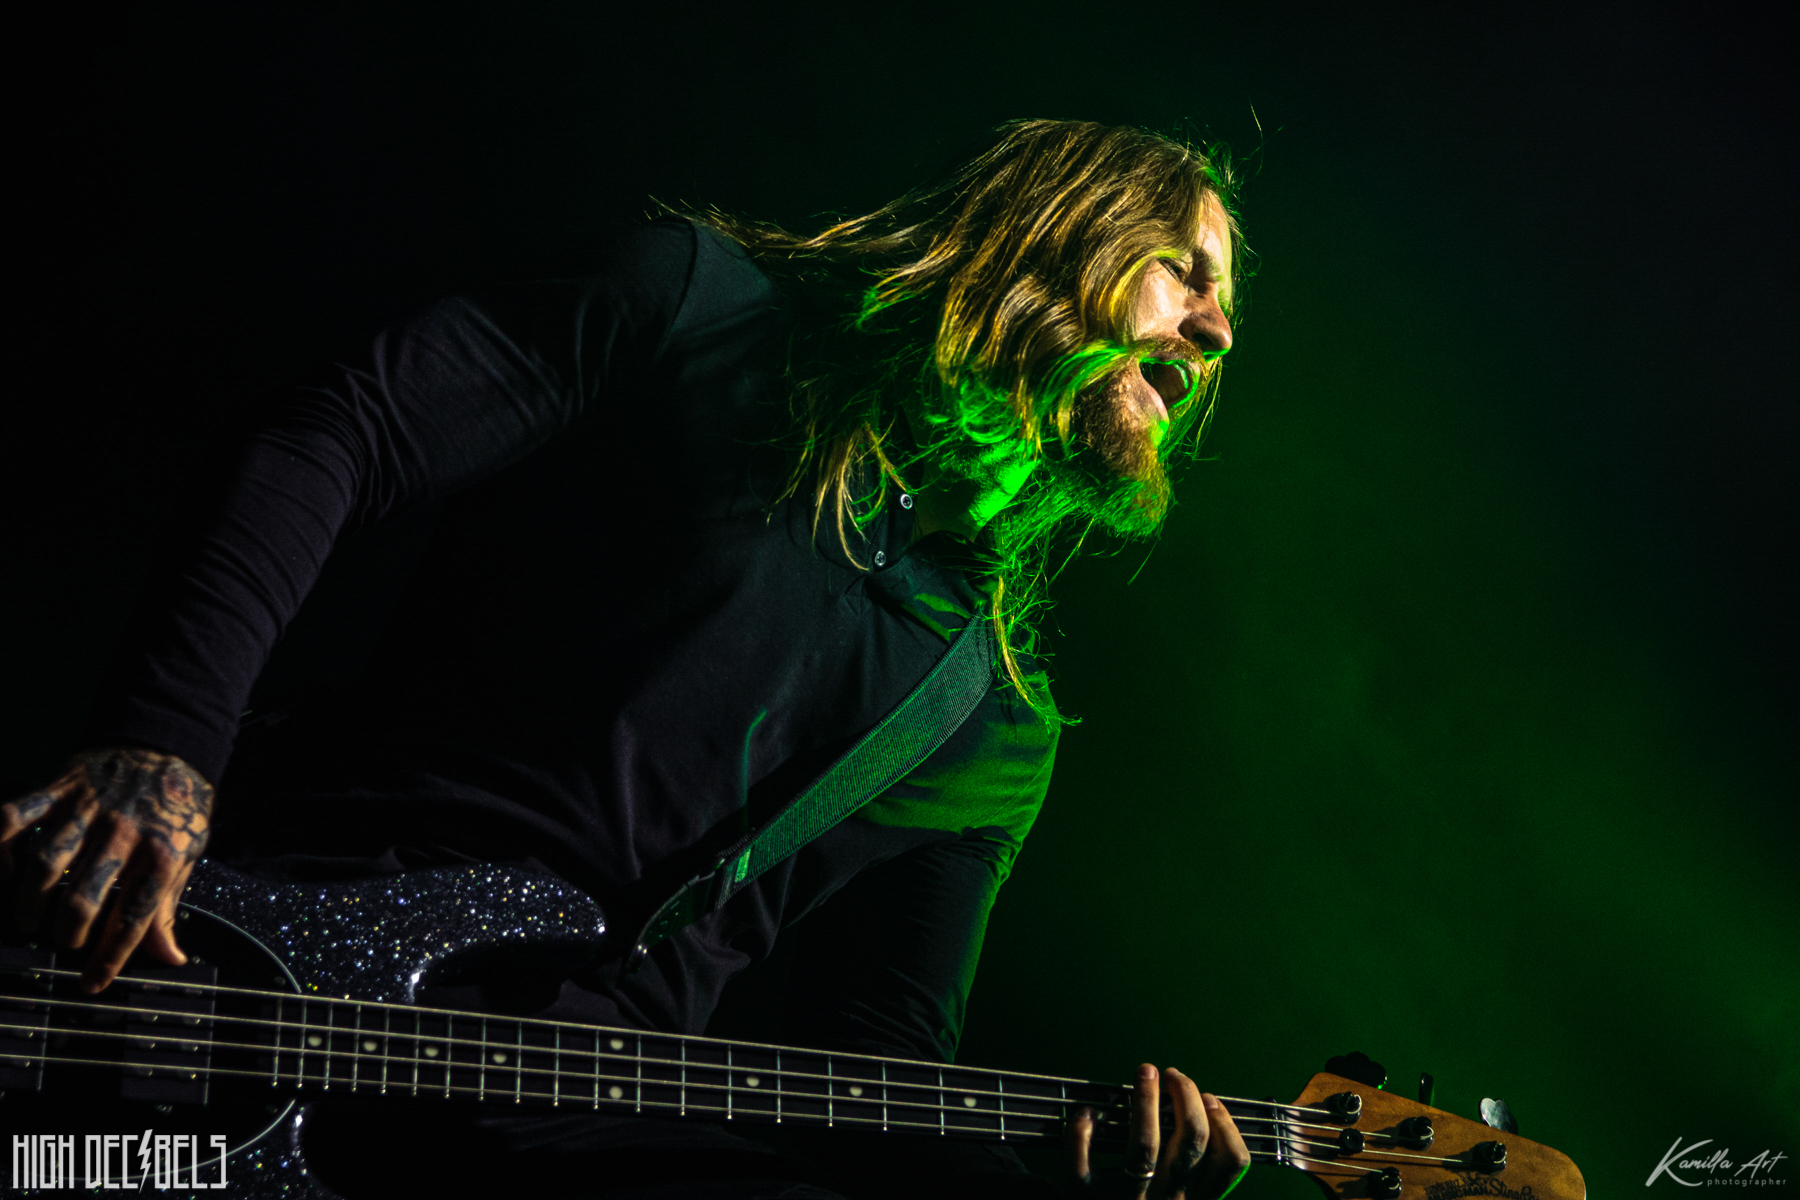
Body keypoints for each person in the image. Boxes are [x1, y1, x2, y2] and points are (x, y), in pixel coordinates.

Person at [1, 119, 1249, 1199]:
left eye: (1225, 307)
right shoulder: (705, 309)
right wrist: (161, 746)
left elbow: (880, 1080)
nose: (1217, 331)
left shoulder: (993, 722)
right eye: (1185, 272)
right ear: (1058, 227)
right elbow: (339, 432)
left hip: (570, 1123)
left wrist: (1066, 1177)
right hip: (252, 951)